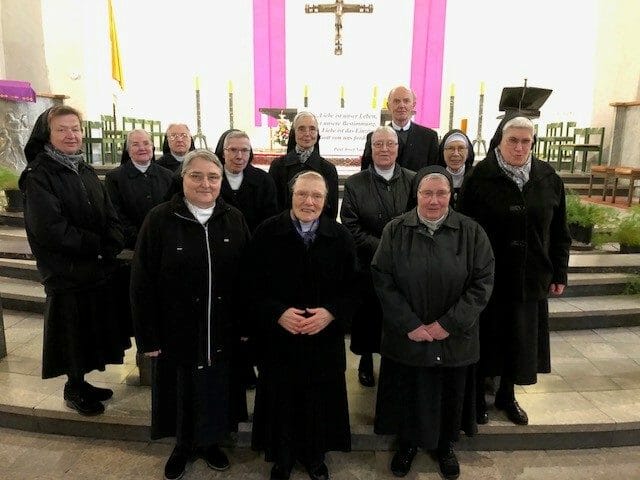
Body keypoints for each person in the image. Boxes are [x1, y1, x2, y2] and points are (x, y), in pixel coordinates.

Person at [131, 149, 250, 480]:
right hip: (176, 329)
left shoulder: (233, 218)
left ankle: (212, 442)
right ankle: (182, 446)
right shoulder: (159, 219)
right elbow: (141, 282)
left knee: (215, 386)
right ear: (182, 178)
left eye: (213, 177)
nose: (206, 183)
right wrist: (148, 336)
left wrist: (245, 326)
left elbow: (247, 279)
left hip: (222, 328)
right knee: (181, 388)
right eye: (196, 176)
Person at [371, 166, 494, 479]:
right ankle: (407, 445)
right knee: (409, 390)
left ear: (451, 195)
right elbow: (382, 278)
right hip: (408, 334)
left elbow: (482, 282)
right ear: (417, 194)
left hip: (454, 337)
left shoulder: (472, 232)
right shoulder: (395, 230)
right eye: (427, 193)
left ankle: (445, 446)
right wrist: (409, 323)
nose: (434, 200)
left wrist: (448, 324)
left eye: (442, 193)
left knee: (448, 393)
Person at [457, 115, 571, 426]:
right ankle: (479, 395)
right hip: (490, 277)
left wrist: (559, 272)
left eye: (526, 142)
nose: (519, 147)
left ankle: (507, 394)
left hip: (531, 276)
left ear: (533, 143)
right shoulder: (480, 177)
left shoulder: (548, 178)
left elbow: (560, 231)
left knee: (520, 340)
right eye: (513, 141)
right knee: (488, 337)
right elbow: (465, 231)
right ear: (501, 141)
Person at [19, 105, 129, 416]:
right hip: (65, 271)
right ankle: (73, 386)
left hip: (94, 267)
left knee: (89, 329)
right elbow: (50, 229)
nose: (71, 135)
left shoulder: (84, 169)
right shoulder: (38, 175)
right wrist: (98, 245)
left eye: (75, 128)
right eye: (62, 129)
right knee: (71, 332)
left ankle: (83, 381)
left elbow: (110, 214)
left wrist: (114, 238)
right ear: (47, 135)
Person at [247, 170, 357, 480]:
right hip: (280, 338)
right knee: (281, 399)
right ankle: (282, 457)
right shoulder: (267, 232)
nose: (309, 201)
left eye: (317, 196)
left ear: (327, 200)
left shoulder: (341, 237)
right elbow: (250, 286)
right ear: (291, 196)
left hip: (323, 339)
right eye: (302, 194)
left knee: (318, 400)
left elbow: (354, 289)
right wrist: (277, 312)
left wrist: (331, 313)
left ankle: (314, 456)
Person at [340, 125, 415, 387]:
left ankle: (394, 361)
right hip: (368, 264)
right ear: (370, 149)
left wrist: (400, 250)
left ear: (398, 148)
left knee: (395, 315)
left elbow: (418, 219)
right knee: (369, 316)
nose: (384, 149)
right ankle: (366, 360)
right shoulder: (355, 183)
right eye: (378, 144)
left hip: (404, 266)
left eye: (390, 144)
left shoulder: (413, 179)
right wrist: (383, 247)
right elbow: (350, 225)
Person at [105, 129, 174, 249]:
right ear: (128, 150)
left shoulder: (167, 175)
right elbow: (115, 213)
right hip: (131, 243)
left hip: (165, 240)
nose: (142, 148)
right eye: (135, 144)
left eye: (146, 143)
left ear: (152, 147)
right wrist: (140, 238)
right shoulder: (114, 177)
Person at [269, 111, 339, 220]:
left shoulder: (328, 169)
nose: (307, 134)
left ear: (317, 133)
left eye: (312, 129)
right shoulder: (278, 166)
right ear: (294, 133)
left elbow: (331, 210)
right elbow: (273, 206)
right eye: (301, 129)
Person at [360, 86, 438, 172]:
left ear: (413, 105)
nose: (401, 105)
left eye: (406, 101)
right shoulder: (373, 137)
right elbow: (366, 173)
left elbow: (433, 173)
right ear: (388, 106)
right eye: (396, 101)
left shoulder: (429, 137)